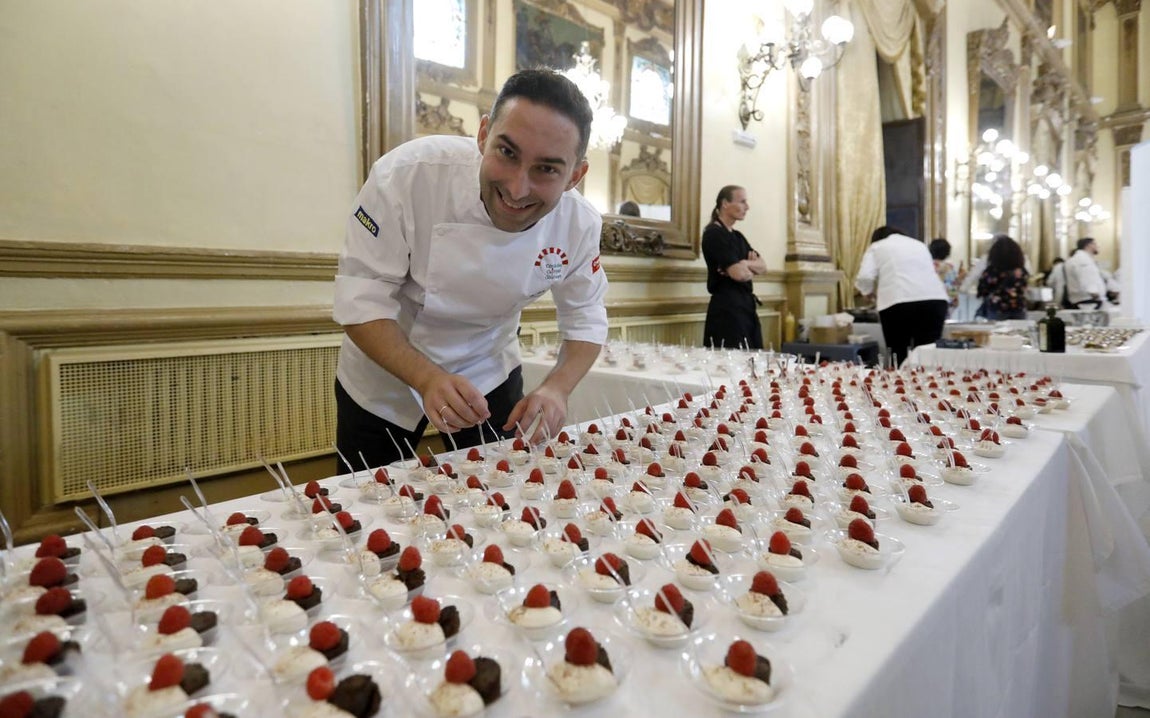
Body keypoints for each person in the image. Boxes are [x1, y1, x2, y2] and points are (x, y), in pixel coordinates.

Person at [333, 69, 609, 471]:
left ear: (575, 176)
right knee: (363, 501)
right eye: (507, 153)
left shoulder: (579, 225)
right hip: (385, 370)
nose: (517, 189)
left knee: (502, 492)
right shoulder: (407, 175)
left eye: (547, 169)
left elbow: (585, 318)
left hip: (487, 367)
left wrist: (556, 389)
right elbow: (361, 300)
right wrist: (425, 377)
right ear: (483, 135)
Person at [855, 226, 949, 365]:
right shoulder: (919, 245)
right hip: (935, 300)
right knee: (928, 354)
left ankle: (901, 384)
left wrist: (866, 292)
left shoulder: (877, 246)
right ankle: (928, 385)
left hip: (899, 301)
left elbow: (865, 277)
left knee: (898, 354)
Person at [701, 185, 767, 349]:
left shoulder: (738, 237)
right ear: (725, 204)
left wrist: (745, 264)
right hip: (727, 311)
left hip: (746, 308)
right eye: (742, 201)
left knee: (754, 361)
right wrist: (745, 268)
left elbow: (763, 267)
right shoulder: (714, 234)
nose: (747, 207)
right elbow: (739, 274)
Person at [976, 234, 1030, 320]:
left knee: (997, 332)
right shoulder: (1021, 272)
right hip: (1018, 308)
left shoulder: (991, 272)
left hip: (997, 308)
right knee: (1019, 332)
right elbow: (1024, 288)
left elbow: (982, 289)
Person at [1064, 237, 1107, 308]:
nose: (1097, 246)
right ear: (1089, 245)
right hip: (1088, 301)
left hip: (1088, 299)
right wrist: (1095, 294)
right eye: (1095, 244)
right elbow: (1086, 278)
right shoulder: (1082, 259)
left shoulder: (1083, 258)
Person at [929, 238, 961, 316]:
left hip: (927, 302)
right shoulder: (949, 268)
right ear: (947, 252)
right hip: (943, 303)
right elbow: (952, 289)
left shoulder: (926, 266)